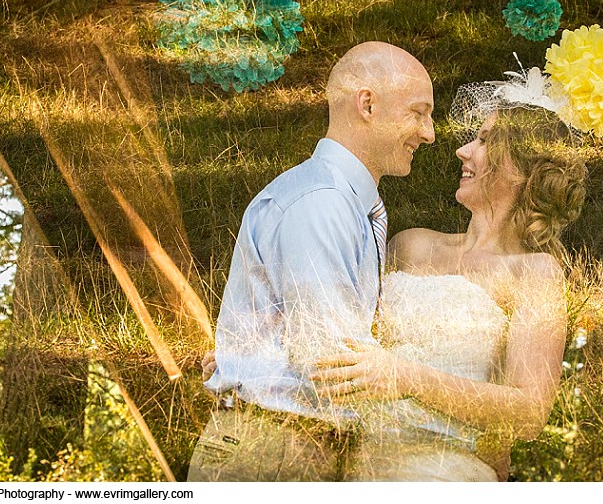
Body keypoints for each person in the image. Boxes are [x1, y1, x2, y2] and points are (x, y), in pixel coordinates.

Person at [308, 71, 588, 481]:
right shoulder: (410, 245)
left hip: (444, 473)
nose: (462, 150)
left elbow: (528, 412)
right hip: (353, 465)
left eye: (485, 141)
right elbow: (333, 320)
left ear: (522, 170)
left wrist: (402, 376)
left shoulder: (535, 272)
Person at [186, 41, 435, 481]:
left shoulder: (340, 200)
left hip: (289, 442)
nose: (428, 133)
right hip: (276, 449)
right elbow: (329, 360)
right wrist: (456, 398)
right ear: (367, 104)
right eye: (419, 112)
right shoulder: (322, 203)